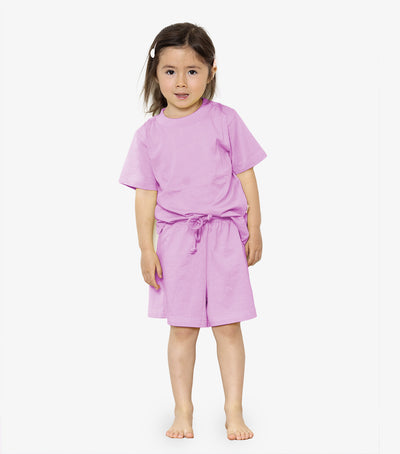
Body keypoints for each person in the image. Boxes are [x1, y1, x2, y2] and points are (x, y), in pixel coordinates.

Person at [119, 22, 267, 441]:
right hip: (177, 241)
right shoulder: (148, 135)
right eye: (170, 71)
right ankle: (183, 409)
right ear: (156, 74)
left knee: (228, 327)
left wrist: (254, 226)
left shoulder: (225, 120)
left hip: (224, 237)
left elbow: (246, 175)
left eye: (192, 71)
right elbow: (145, 196)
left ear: (211, 71)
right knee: (182, 329)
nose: (181, 82)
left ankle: (233, 410)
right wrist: (146, 249)